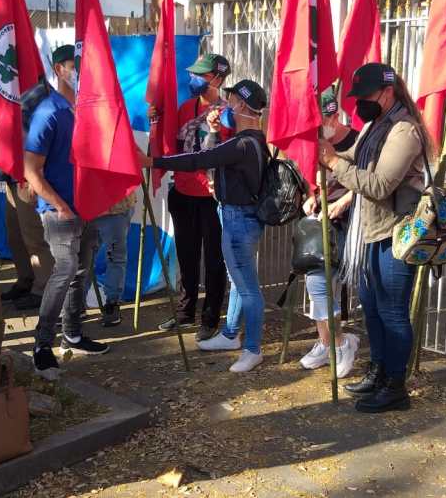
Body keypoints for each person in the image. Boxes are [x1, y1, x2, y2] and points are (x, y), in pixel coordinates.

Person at [319, 63, 428, 413]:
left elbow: (380, 184)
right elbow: (352, 157)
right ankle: (378, 371)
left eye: (366, 96)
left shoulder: (404, 130)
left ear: (387, 92)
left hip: (396, 232)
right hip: (369, 230)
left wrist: (334, 164)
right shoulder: (375, 125)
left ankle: (396, 386)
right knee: (372, 309)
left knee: (392, 311)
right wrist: (325, 145)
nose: (360, 103)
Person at [143, 79, 269, 373]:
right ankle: (230, 334)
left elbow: (198, 159)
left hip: (239, 221)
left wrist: (153, 162)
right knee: (239, 282)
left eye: (232, 101)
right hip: (237, 217)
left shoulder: (242, 144)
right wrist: (212, 131)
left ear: (242, 105)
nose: (227, 106)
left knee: (248, 289)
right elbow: (212, 159)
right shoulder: (248, 140)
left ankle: (253, 349)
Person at [25, 46, 109, 381]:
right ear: (59, 69)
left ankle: (72, 333)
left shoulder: (90, 110)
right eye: (76, 67)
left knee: (82, 270)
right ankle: (42, 344)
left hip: (87, 206)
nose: (81, 74)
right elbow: (32, 169)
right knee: (66, 269)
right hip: (59, 210)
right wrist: (59, 205)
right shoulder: (49, 112)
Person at [155, 53, 231, 341]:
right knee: (186, 254)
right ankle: (185, 310)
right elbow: (173, 145)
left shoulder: (228, 113)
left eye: (202, 75)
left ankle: (210, 316)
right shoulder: (186, 107)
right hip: (183, 191)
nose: (194, 79)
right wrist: (156, 121)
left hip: (212, 196)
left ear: (218, 79)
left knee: (213, 258)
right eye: (193, 73)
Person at [298, 86, 359, 377]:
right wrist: (311, 195)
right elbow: (311, 178)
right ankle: (329, 343)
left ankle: (341, 342)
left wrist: (344, 201)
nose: (320, 130)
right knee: (316, 284)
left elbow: (371, 182)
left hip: (350, 222)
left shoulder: (357, 141)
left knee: (325, 286)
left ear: (334, 117)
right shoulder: (313, 139)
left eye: (323, 122)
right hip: (320, 222)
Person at [1, 76, 59, 312]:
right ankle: (26, 279)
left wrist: (35, 174)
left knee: (34, 236)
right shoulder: (12, 86)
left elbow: (41, 139)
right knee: (15, 234)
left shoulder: (43, 95)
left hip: (29, 176)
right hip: (10, 174)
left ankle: (43, 288)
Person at [88, 190, 136, 327]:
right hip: (85, 207)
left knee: (114, 257)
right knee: (82, 260)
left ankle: (112, 303)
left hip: (115, 207)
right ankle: (76, 304)